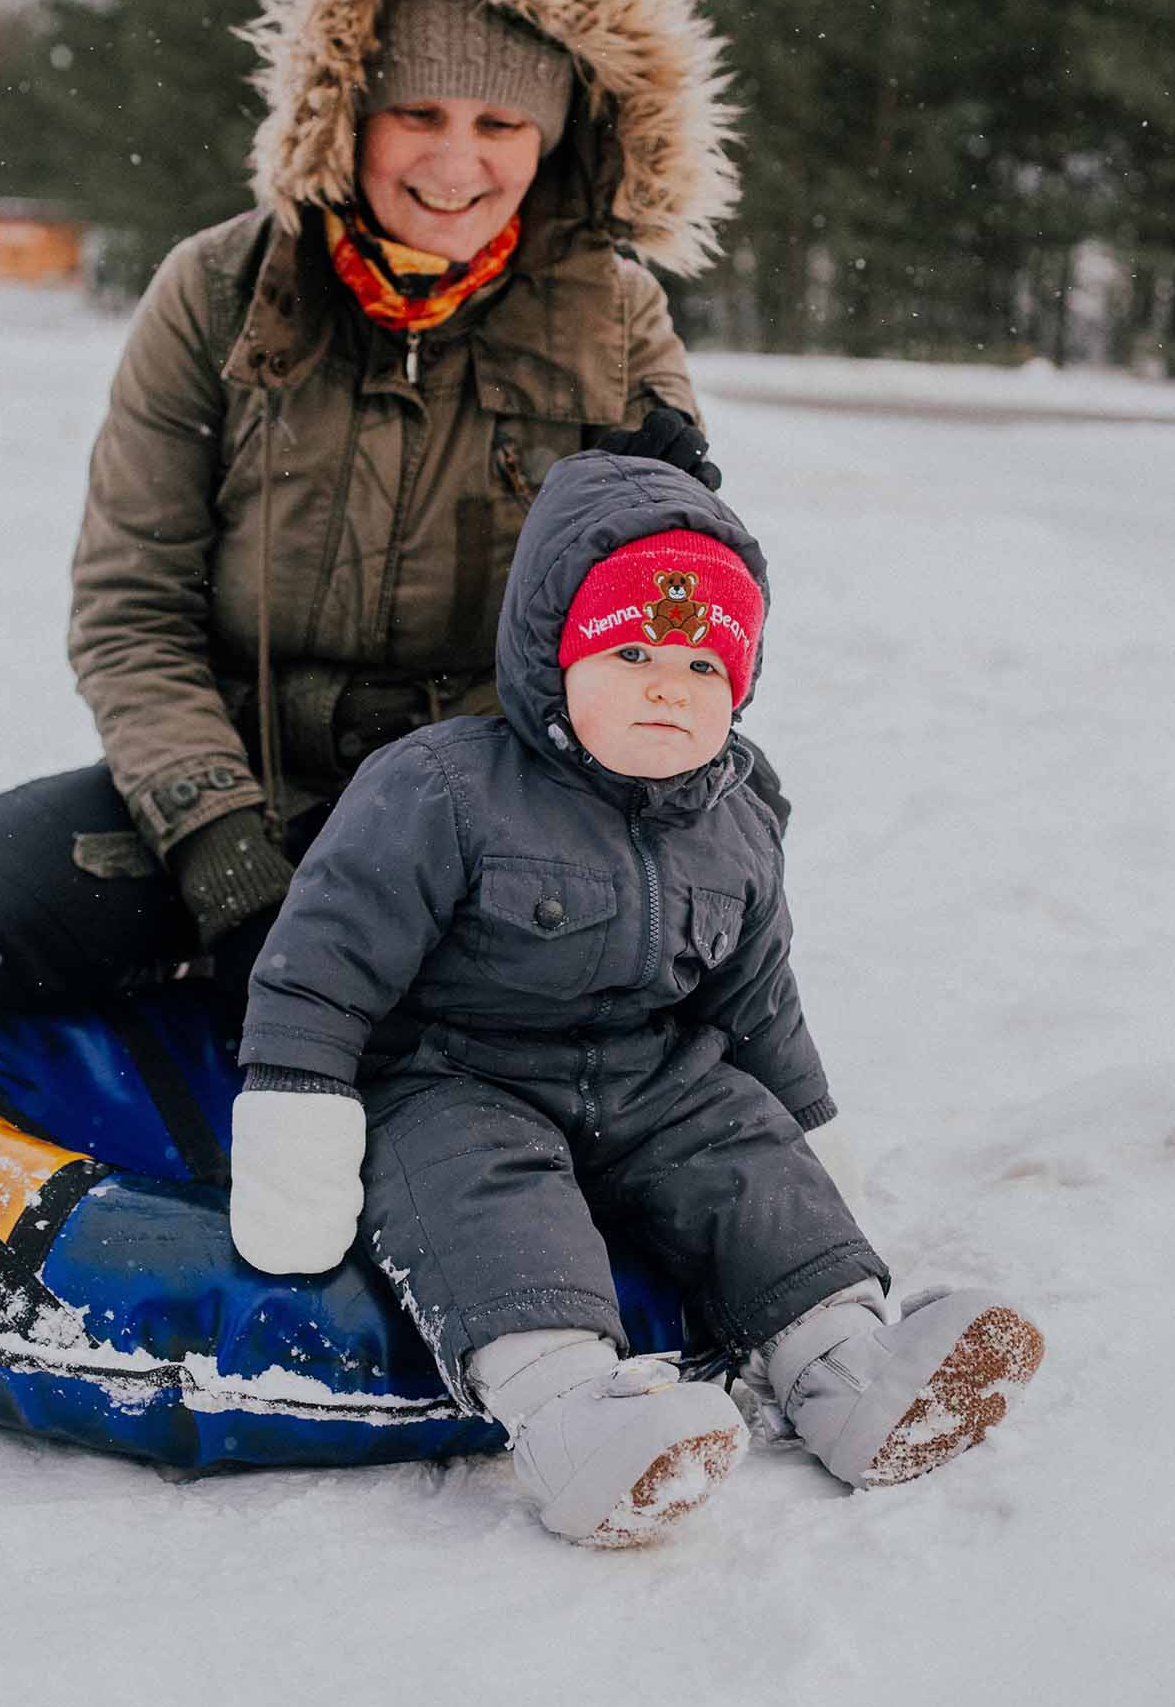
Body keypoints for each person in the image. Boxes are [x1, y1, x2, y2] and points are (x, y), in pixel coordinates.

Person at [0, 0, 747, 1016]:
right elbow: (132, 605)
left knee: (627, 947)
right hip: (255, 780)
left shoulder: (614, 318)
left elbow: (669, 633)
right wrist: (221, 846)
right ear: (349, 116)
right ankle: (241, 970)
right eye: (421, 115)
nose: (458, 162)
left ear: (548, 140)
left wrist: (670, 530)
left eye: (499, 125)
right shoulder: (219, 289)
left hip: (486, 799)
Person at [229, 448, 1044, 1546]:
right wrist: (298, 1104)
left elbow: (761, 999)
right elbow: (325, 957)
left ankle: (849, 1369)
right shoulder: (444, 787)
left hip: (651, 1079)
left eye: (707, 666)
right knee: (484, 1194)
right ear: (550, 653)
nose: (671, 683)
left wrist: (810, 1133)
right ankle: (572, 1414)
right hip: (462, 1076)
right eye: (634, 651)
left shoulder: (741, 816)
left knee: (742, 1150)